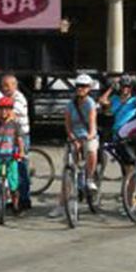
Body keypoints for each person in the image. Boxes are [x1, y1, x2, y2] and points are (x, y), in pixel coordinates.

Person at [49, 74, 99, 219]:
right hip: (74, 136)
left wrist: (89, 136)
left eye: (83, 86)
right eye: (78, 86)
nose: (80, 89)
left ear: (89, 88)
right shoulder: (70, 105)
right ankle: (60, 206)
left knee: (91, 149)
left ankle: (89, 178)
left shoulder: (90, 103)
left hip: (88, 135)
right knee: (68, 172)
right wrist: (72, 138)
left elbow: (92, 123)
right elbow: (68, 124)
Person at [0, 74, 31, 211]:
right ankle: (12, 199)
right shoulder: (4, 98)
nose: (5, 88)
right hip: (8, 137)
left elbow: (11, 114)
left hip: (20, 137)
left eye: (8, 85)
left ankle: (24, 200)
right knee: (9, 169)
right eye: (3, 86)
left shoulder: (19, 98)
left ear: (15, 85)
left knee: (20, 169)